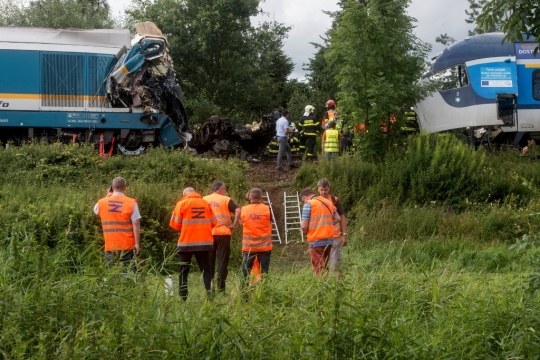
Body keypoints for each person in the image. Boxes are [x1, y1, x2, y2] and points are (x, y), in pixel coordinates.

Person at [170, 187, 217, 301]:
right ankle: (210, 296)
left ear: (185, 194)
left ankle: (183, 298)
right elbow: (214, 223)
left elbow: (175, 225)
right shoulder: (205, 203)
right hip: (204, 243)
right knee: (206, 269)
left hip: (186, 243)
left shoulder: (182, 203)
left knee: (183, 270)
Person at [94, 177, 141, 271]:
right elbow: (136, 223)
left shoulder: (101, 202)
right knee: (129, 273)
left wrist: (107, 196)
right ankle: (128, 286)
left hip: (110, 245)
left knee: (110, 275)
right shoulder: (131, 202)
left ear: (112, 187)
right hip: (127, 245)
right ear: (125, 188)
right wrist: (137, 243)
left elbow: (95, 210)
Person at [203, 180, 241, 294]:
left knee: (209, 263)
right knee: (222, 261)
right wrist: (233, 225)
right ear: (220, 189)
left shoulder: (204, 199)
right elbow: (238, 210)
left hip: (208, 234)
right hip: (223, 234)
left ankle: (210, 288)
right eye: (224, 189)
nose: (225, 191)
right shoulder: (225, 200)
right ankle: (221, 289)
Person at [300, 188, 340, 276]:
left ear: (306, 198)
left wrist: (306, 231)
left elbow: (303, 226)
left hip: (316, 240)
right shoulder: (328, 202)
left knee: (318, 269)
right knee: (324, 266)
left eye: (304, 200)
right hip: (329, 239)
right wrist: (327, 224)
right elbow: (338, 218)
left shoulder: (309, 204)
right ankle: (325, 287)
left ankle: (321, 288)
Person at [240, 188, 272, 287]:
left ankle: (244, 294)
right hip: (264, 247)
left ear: (250, 198)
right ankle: (264, 292)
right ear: (261, 198)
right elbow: (270, 222)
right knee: (264, 271)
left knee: (245, 271)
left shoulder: (244, 209)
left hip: (249, 247)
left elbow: (241, 223)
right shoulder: (267, 208)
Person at [317, 178, 348, 277]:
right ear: (318, 189)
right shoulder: (315, 202)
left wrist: (344, 235)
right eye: (321, 190)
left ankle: (338, 286)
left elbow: (342, 218)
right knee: (322, 264)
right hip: (320, 237)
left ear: (329, 189)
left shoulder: (334, 200)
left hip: (334, 236)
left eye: (325, 189)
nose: (323, 192)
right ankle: (323, 287)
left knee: (335, 264)